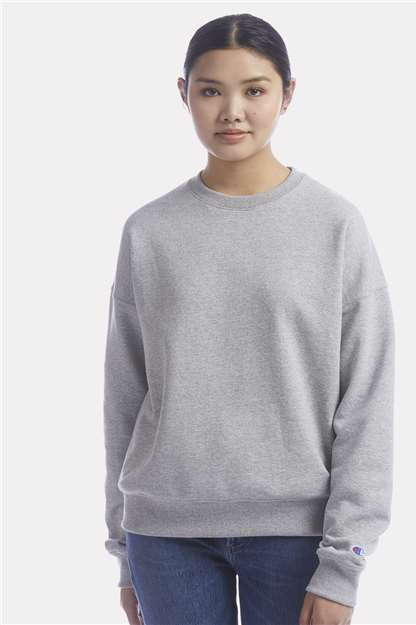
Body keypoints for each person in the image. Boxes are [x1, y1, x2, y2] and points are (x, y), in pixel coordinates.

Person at [103, 12, 395, 625]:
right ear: (183, 94)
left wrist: (345, 561)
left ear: (287, 94)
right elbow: (125, 396)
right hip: (165, 534)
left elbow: (366, 398)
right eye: (211, 90)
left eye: (254, 90)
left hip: (297, 534)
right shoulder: (149, 231)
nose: (232, 112)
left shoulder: (335, 226)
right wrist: (124, 550)